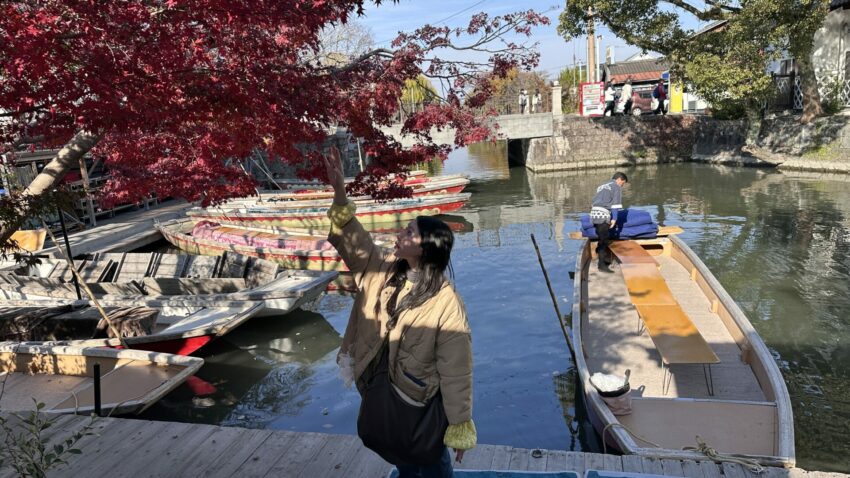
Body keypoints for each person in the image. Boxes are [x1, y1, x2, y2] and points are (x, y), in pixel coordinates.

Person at [322, 148, 475, 478]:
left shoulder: (446, 302)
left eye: (409, 232)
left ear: (425, 247)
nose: (399, 235)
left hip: (416, 398)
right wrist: (339, 192)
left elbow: (456, 369)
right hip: (379, 386)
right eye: (403, 229)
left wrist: (459, 423)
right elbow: (355, 243)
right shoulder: (384, 269)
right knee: (400, 453)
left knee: (430, 457)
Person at [590, 172, 628, 272]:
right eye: (623, 183)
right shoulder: (616, 186)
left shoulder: (601, 185)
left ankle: (602, 259)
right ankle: (601, 266)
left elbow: (594, 200)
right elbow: (615, 205)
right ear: (619, 179)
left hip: (593, 213)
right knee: (604, 240)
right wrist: (614, 219)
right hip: (602, 214)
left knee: (601, 237)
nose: (622, 186)